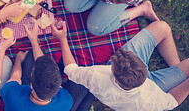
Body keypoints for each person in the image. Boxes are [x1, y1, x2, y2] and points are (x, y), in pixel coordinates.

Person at [52, 20, 189, 110]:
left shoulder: (97, 75)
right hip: (156, 88)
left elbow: (70, 69)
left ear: (116, 78)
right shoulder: (151, 101)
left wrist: (62, 39)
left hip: (130, 92)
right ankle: (176, 70)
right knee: (162, 27)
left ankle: (176, 71)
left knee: (162, 27)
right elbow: (173, 100)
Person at [0, 18, 78, 110]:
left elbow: (15, 77)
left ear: (31, 85)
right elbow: (43, 67)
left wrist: (18, 59)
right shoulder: (66, 101)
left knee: (31, 54)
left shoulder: (12, 96)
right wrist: (34, 41)